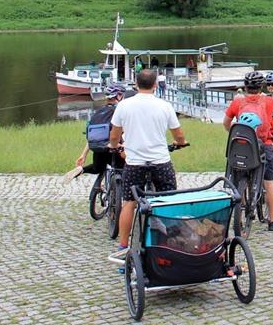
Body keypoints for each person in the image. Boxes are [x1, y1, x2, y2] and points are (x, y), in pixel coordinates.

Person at [109, 69, 187, 258]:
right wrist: (180, 143)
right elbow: (179, 135)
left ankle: (123, 246)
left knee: (129, 202)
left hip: (135, 162)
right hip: (160, 161)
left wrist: (115, 146)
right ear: (155, 85)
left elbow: (114, 135)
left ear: (136, 84)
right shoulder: (164, 106)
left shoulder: (124, 105)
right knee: (168, 200)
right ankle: (168, 244)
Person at [223, 71, 273, 231]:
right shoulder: (269, 101)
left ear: (245, 86)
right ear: (261, 86)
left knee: (238, 177)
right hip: (264, 145)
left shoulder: (237, 102)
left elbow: (226, 123)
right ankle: (272, 221)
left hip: (242, 145)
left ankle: (239, 214)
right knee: (270, 183)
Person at [62, 82, 126, 184]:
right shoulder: (119, 111)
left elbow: (92, 136)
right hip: (114, 148)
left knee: (98, 168)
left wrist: (83, 155)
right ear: (119, 96)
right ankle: (121, 193)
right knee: (127, 167)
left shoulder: (98, 112)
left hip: (97, 147)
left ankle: (82, 169)